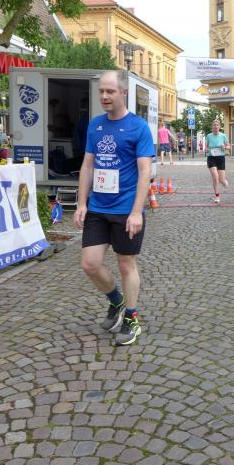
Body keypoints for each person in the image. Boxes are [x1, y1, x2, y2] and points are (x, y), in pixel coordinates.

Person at [74, 70, 153, 347]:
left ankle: (131, 318)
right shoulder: (95, 125)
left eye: (110, 91)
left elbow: (145, 172)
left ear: (123, 92)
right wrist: (81, 203)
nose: (105, 96)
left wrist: (136, 211)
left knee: (125, 264)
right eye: (101, 91)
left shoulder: (138, 127)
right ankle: (116, 300)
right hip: (98, 206)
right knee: (90, 264)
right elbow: (88, 166)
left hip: (125, 209)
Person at [206, 119, 230, 202]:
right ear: (212, 127)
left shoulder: (223, 136)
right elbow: (206, 146)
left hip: (220, 158)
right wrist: (206, 149)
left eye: (217, 125)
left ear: (219, 127)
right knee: (215, 177)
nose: (216, 127)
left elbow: (229, 147)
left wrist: (225, 147)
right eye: (214, 125)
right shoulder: (209, 136)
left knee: (221, 180)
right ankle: (217, 196)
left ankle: (224, 182)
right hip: (211, 158)